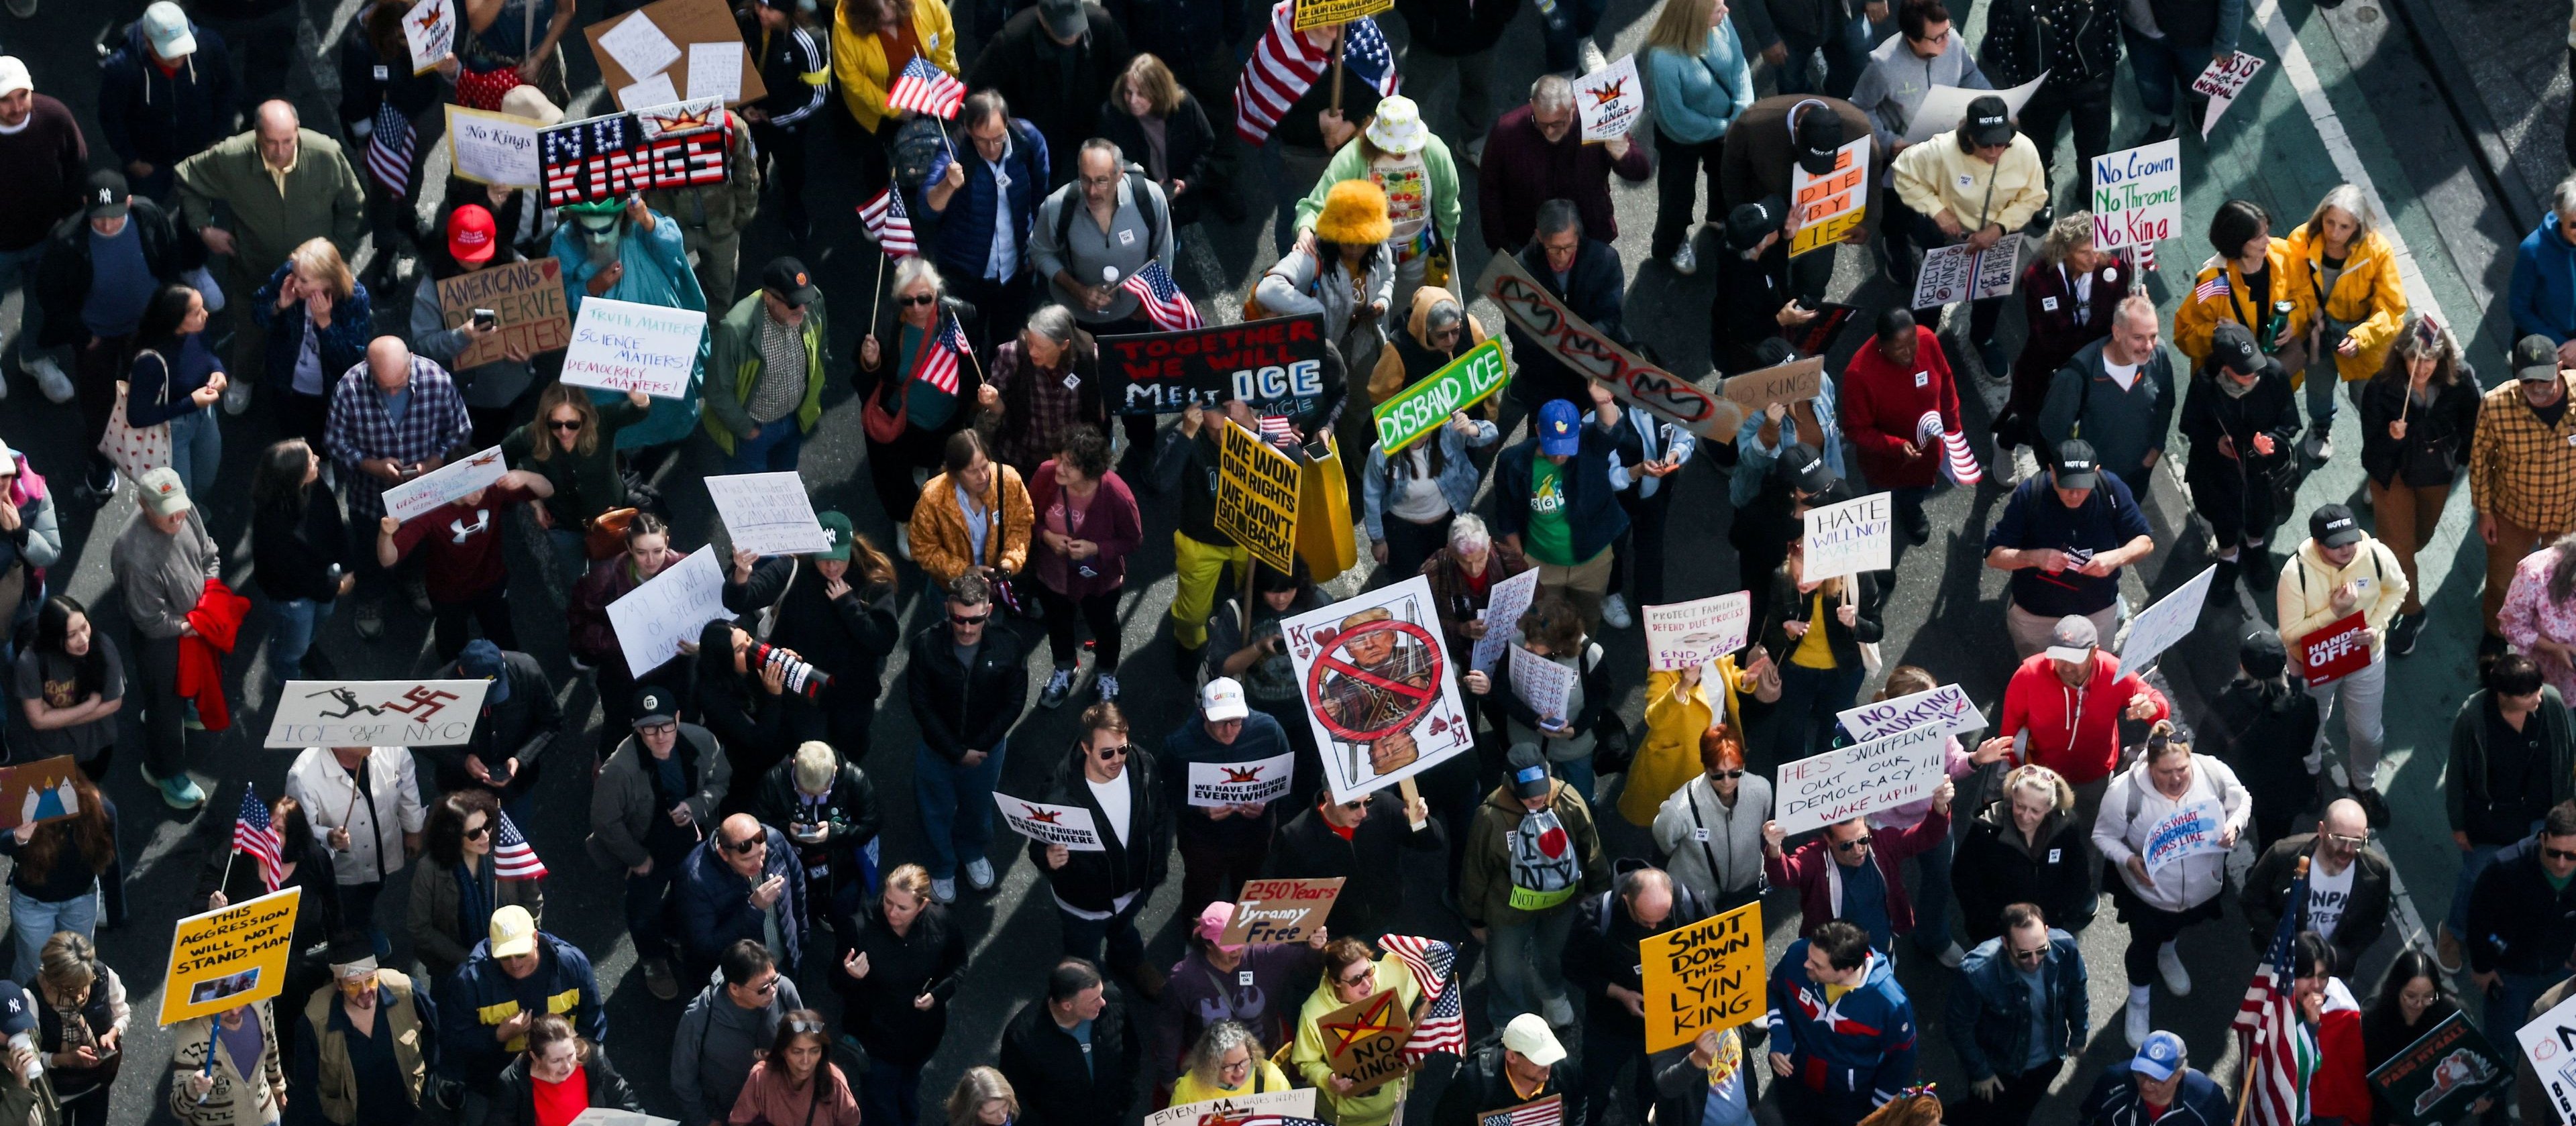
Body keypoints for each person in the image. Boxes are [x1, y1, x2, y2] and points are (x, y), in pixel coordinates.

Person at [175, 102, 366, 415]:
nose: (280, 152)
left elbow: (352, 205)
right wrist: (204, 228)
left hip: (318, 280)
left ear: (298, 131)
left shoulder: (326, 154)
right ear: (256, 135)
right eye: (271, 143)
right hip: (256, 272)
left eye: (288, 141)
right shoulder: (231, 156)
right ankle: (245, 376)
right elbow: (186, 177)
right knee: (252, 328)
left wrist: (336, 258)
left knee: (322, 336)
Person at [2092, 722, 2251, 1046]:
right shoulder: (2126, 792)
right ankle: (2139, 1001)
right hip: (2149, 897)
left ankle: (2169, 951)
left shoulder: (2212, 772)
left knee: (2177, 928)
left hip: (2201, 890)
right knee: (2142, 949)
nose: (2176, 778)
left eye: (2181, 769)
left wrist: (2235, 825)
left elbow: (2242, 801)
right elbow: (2103, 836)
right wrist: (2129, 860)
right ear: (2150, 767)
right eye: (2165, 772)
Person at [39, 171, 191, 494]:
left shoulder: (150, 217)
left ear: (130, 203)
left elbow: (170, 260)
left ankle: (153, 453)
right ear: (85, 205)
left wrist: (169, 312)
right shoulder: (67, 240)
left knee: (152, 392)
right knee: (98, 403)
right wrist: (82, 335)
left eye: (115, 216)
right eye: (99, 218)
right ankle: (101, 459)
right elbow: (49, 294)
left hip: (145, 329)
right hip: (98, 337)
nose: (107, 225)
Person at [587, 688, 733, 1002]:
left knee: (689, 892)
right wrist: (636, 858)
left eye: (666, 725)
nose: (660, 735)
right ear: (637, 729)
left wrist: (695, 806)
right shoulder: (618, 770)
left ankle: (671, 931)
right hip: (645, 844)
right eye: (649, 728)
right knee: (642, 908)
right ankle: (653, 958)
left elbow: (720, 781)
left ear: (678, 719)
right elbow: (604, 821)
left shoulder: (702, 741)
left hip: (687, 837)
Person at [325, 337, 473, 639]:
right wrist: (372, 466)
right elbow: (334, 442)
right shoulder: (349, 388)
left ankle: (412, 579)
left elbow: (460, 430)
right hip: (371, 500)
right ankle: (370, 598)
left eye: (400, 383)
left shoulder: (437, 381)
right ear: (369, 369)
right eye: (386, 386)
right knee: (369, 553)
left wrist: (434, 461)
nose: (394, 391)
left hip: (423, 497)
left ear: (412, 360)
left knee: (419, 547)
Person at [720, 512, 903, 757]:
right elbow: (739, 600)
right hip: (802, 688)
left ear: (851, 548)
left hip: (852, 692)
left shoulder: (872, 579)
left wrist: (848, 605)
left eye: (839, 558)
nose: (831, 567)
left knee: (851, 749)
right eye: (824, 559)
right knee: (809, 757)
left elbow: (883, 641)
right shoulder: (794, 569)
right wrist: (741, 573)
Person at [1889, 94, 2047, 373]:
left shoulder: (2025, 150)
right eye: (1986, 144)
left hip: (1997, 241)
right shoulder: (1941, 150)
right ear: (1969, 136)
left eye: (2002, 143)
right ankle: (1923, 339)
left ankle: (1982, 338)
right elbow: (1902, 171)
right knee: (1933, 296)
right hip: (1949, 239)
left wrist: (1999, 228)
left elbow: (2034, 197)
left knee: (1991, 297)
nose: (1995, 152)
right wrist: (1937, 211)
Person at [1464, 743, 1611, 1029]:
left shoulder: (1567, 800)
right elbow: (1476, 869)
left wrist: (1598, 889)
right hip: (1509, 907)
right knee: (1504, 964)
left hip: (1561, 901)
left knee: (1553, 955)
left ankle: (1554, 996)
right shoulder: (1490, 817)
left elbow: (1590, 847)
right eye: (1529, 796)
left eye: (1542, 790)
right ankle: (1509, 1018)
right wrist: (1475, 918)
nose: (1538, 799)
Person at [2276, 502, 2408, 815]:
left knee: (2368, 732)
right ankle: (2310, 776)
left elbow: (2397, 588)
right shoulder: (2296, 574)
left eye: (2351, 540)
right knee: (2312, 727)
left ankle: (2363, 784)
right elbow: (2290, 635)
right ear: (2318, 544)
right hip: (2314, 664)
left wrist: (2375, 628)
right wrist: (2333, 613)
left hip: (2365, 656)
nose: (2347, 549)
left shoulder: (2375, 554)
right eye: (2337, 545)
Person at [2448, 657, 2576, 975]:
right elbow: (2457, 774)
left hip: (2541, 814)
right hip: (2491, 821)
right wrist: (2458, 824)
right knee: (2476, 877)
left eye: (2538, 689)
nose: (2540, 697)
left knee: (2548, 874)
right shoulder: (2473, 719)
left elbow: (2566, 753)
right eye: (2530, 694)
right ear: (2504, 696)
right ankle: (2453, 932)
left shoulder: (2552, 703)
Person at [1034, 703, 1173, 993]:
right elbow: (1037, 845)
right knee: (1082, 955)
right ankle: (1089, 992)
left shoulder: (1142, 765)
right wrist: (1049, 859)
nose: (1118, 760)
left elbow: (1159, 818)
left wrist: (1154, 870)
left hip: (1133, 890)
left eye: (1122, 749)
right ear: (1086, 748)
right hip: (1084, 904)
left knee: (1125, 931)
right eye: (1107, 753)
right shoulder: (1059, 795)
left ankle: (1131, 962)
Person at [553, 195, 707, 455]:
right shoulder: (564, 240)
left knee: (668, 395)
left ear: (620, 219)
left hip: (657, 327)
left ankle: (674, 431)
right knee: (613, 404)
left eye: (605, 229)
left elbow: (673, 248)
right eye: (590, 231)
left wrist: (647, 221)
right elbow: (560, 292)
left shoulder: (637, 223)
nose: (599, 239)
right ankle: (623, 448)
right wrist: (592, 287)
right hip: (606, 344)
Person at [908, 573, 1028, 903]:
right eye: (959, 618)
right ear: (947, 608)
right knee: (935, 809)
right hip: (938, 751)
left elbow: (1014, 703)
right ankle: (942, 866)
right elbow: (921, 704)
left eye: (975, 620)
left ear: (988, 611)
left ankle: (972, 851)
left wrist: (980, 747)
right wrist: (956, 750)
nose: (966, 628)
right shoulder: (925, 645)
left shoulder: (1009, 645)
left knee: (978, 806)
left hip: (985, 752)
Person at [2361, 314, 2477, 657]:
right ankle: (2412, 612)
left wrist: (2465, 460)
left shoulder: (2460, 382)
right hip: (2393, 471)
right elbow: (2372, 447)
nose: (2422, 367)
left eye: (2429, 358)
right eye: (2414, 358)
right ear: (2401, 357)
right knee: (2400, 548)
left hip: (2434, 472)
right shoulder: (2380, 388)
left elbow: (2472, 425)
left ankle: (2394, 568)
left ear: (2442, 358)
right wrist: (2392, 437)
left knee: (2418, 539)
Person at [1262, 179, 1394, 473]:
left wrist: (1382, 302)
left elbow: (1388, 277)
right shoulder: (1314, 254)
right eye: (1347, 237)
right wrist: (1315, 311)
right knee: (1317, 414)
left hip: (1361, 347)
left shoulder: (1379, 246)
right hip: (1321, 354)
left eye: (1362, 239)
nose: (1355, 246)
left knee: (1361, 408)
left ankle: (1360, 466)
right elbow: (1267, 290)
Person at [1291, 95, 1461, 321]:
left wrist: (1446, 245)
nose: (1401, 152)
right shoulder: (1354, 157)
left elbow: (1448, 204)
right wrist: (1305, 229)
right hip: (1369, 258)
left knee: (1414, 312)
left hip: (1419, 251)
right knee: (1374, 316)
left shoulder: (1435, 152)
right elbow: (1317, 203)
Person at [108, 466, 219, 809]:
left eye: (180, 507)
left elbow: (208, 552)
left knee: (192, 680)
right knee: (163, 708)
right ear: (143, 505)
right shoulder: (133, 553)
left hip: (194, 623)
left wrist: (211, 595)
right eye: (167, 513)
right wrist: (194, 624)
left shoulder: (183, 508)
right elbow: (152, 621)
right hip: (162, 644)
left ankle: (186, 706)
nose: (178, 518)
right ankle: (163, 771)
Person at [1983, 441, 2156, 657]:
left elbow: (2145, 542)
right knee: (2041, 676)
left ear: (2096, 472)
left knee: (2093, 670)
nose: (2074, 494)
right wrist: (2034, 558)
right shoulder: (2031, 495)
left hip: (2097, 613)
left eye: (2082, 485)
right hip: (2038, 616)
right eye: (2067, 485)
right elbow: (1993, 556)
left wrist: (2116, 557)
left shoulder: (2111, 489)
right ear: (2052, 472)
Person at [856, 259, 980, 549]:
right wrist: (871, 362)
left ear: (936, 293)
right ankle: (905, 518)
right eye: (907, 300)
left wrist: (980, 396)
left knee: (931, 458)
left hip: (944, 418)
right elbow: (863, 373)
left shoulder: (960, 316)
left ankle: (922, 467)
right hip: (898, 417)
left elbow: (973, 364)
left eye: (924, 299)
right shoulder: (884, 321)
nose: (916, 307)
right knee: (894, 478)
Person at [374, 467, 553, 662]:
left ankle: (510, 675)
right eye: (469, 489)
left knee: (503, 636)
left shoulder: (493, 489)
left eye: (480, 487)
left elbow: (547, 490)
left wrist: (526, 475)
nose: (477, 495)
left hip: (491, 581)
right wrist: (386, 534)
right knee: (452, 644)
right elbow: (388, 559)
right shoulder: (431, 510)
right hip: (448, 592)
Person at [1493, 390, 1640, 626]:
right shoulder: (1513, 461)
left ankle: (1583, 662)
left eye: (1566, 445)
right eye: (1554, 445)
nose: (1561, 454)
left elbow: (1611, 430)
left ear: (1579, 431)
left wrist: (1604, 401)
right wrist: (1521, 562)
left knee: (1587, 621)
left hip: (1592, 561)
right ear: (1538, 431)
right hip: (1540, 563)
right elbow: (1506, 514)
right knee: (1544, 626)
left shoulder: (1589, 447)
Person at [435, 905, 604, 1110]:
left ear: (535, 938)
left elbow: (593, 1024)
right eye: (505, 956)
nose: (514, 963)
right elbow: (455, 1042)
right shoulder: (469, 982)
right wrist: (497, 1036)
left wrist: (569, 1064)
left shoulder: (571, 964)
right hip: (498, 1082)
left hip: (563, 1071)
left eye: (520, 953)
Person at [833, 865, 965, 1126]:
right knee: (880, 1102)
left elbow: (958, 965)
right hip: (877, 1040)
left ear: (923, 905)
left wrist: (938, 995)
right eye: (888, 901)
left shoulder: (941, 922)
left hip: (922, 1038)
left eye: (902, 908)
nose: (892, 912)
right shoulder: (860, 928)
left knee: (908, 1088)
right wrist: (850, 976)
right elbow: (834, 980)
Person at [1763, 777, 1953, 955]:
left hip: (1880, 951)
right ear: (1828, 839)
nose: (1858, 850)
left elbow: (1926, 836)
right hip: (1832, 960)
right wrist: (1774, 847)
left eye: (1863, 839)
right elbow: (1784, 875)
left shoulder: (1883, 843)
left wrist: (1939, 806)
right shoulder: (1815, 858)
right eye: (1847, 845)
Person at [921, 91, 1047, 359]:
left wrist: (1036, 246)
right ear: (968, 129)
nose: (992, 148)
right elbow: (926, 208)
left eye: (999, 138)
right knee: (967, 348)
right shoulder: (954, 149)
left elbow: (1041, 197)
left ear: (1007, 124)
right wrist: (948, 184)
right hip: (966, 274)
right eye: (982, 140)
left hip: (1015, 271)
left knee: (1008, 344)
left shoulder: (1029, 140)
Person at [1565, 870, 1696, 1126]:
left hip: (1664, 1025)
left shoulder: (1689, 904)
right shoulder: (1594, 917)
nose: (1653, 928)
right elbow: (1572, 968)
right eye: (1645, 921)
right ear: (1626, 900)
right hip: (1609, 1025)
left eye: (1662, 920)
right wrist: (1619, 993)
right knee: (1596, 1086)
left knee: (1653, 1088)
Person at [2286, 185, 2409, 456]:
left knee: (2366, 397)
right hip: (2317, 332)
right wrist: (2300, 316)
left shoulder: (2378, 252)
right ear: (2321, 216)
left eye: (2344, 226)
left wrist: (2361, 337)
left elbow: (2391, 307)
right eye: (2330, 223)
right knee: (2318, 388)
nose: (2334, 233)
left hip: (2363, 338)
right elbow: (2291, 289)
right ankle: (2320, 427)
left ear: (2359, 226)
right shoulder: (2300, 240)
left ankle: (2378, 444)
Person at [2473, 335, 2576, 653]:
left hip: (2568, 515)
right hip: (2512, 513)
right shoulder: (2496, 405)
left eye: (2544, 379)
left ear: (2560, 367)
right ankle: (2495, 634)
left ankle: (2554, 640)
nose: (2537, 388)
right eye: (2527, 380)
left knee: (2564, 585)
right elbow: (2480, 460)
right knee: (2502, 583)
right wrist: (2485, 512)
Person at [1998, 213, 2131, 460]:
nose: (2094, 258)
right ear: (2064, 251)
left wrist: (2132, 313)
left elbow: (2118, 317)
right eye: (2084, 252)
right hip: (2043, 375)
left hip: (2092, 376)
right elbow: (2046, 339)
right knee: (2034, 424)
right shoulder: (2037, 279)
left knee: (2071, 430)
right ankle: (2005, 443)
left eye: (2097, 250)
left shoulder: (2115, 271)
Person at [2181, 320, 2300, 594]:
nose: (2254, 374)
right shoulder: (2205, 384)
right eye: (2245, 370)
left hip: (2261, 471)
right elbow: (2190, 424)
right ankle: (2229, 556)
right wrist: (2215, 442)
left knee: (2259, 514)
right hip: (2216, 471)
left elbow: (2289, 422)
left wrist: (2271, 443)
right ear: (2224, 366)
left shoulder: (2274, 375)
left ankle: (2255, 548)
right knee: (2222, 516)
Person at [1159, 678, 1295, 916]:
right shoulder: (1179, 745)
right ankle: (1197, 939)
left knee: (1249, 891)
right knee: (1200, 893)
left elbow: (1286, 776)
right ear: (1203, 714)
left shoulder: (1269, 731)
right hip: (1203, 841)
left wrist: (1267, 803)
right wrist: (1199, 808)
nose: (1230, 729)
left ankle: (1241, 937)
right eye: (1220, 722)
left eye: (1236, 721)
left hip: (1255, 835)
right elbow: (1164, 793)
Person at [503, 384, 653, 598]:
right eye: (555, 424)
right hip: (564, 524)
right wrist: (534, 501)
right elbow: (500, 460)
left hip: (609, 518)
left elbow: (639, 411)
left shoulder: (601, 421)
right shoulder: (531, 435)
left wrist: (640, 399)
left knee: (615, 572)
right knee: (577, 580)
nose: (564, 432)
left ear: (585, 417)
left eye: (572, 424)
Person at [1153, 903, 1322, 1091]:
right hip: (1214, 1070)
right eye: (1228, 945)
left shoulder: (1263, 955)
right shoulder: (1184, 979)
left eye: (1240, 940)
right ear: (1208, 944)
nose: (1237, 950)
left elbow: (1307, 965)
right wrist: (1168, 1077)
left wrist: (1315, 947)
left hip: (1266, 1058)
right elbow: (1169, 1029)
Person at [1944, 903, 2084, 1126]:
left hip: (2047, 1060)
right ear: (2006, 943)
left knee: (2019, 1113)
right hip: (2000, 1066)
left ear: (2047, 932)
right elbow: (1959, 1026)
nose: (2035, 961)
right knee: (1981, 1114)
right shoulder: (1977, 973)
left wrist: (2079, 1031)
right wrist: (1981, 1072)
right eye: (2025, 954)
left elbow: (2077, 989)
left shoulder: (2066, 948)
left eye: (2042, 950)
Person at [413, 205, 539, 450]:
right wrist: (461, 336)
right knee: (479, 442)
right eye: (465, 254)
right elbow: (422, 346)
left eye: (480, 252)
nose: (474, 261)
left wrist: (531, 349)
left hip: (517, 382)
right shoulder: (431, 288)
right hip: (469, 395)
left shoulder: (518, 266)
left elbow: (539, 318)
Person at [1029, 429, 1140, 707]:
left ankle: (1105, 672)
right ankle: (1065, 666)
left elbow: (1133, 539)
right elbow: (1026, 515)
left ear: (1090, 471)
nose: (1059, 467)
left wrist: (1096, 550)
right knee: (1057, 622)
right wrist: (1046, 536)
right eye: (1060, 459)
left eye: (1069, 464)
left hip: (1099, 579)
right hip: (1053, 574)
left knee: (1105, 626)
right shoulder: (1046, 475)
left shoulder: (1116, 495)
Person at [1640, 0, 1752, 276]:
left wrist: (1741, 111)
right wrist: (1726, 126)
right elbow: (1678, 118)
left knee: (1726, 176)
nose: (1726, 11)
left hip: (1726, 125)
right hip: (1681, 139)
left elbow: (1739, 67)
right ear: (1695, 17)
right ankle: (1671, 242)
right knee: (1677, 197)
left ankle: (1718, 217)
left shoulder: (1721, 24)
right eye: (1717, 8)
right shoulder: (1664, 58)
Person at [1766, 920, 1916, 1126]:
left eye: (1817, 964)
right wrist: (1780, 1037)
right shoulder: (1797, 955)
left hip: (1848, 1101)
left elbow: (1900, 1060)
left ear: (1847, 970)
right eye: (1810, 955)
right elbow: (1774, 991)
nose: (1806, 964)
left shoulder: (1892, 1004)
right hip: (1793, 1079)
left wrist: (1877, 1111)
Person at [968, 0, 1134, 186]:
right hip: (1039, 138)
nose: (1071, 35)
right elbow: (979, 86)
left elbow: (1123, 69)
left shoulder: (1101, 24)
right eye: (1062, 30)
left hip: (1090, 128)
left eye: (1075, 27)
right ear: (1042, 18)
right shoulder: (1013, 39)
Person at [1477, 77, 1648, 257]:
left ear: (1573, 106)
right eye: (1542, 124)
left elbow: (1641, 171)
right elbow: (1490, 190)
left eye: (1557, 123)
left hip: (1588, 235)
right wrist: (1498, 245)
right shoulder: (1507, 132)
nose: (1550, 131)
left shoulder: (1598, 121)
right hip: (1529, 240)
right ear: (1532, 105)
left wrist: (1623, 156)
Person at [1205, 559, 1330, 804]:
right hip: (1259, 713)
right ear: (1259, 587)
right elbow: (1224, 667)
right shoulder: (1240, 609)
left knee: (1310, 776)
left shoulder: (1315, 602)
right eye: (1273, 591)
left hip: (1307, 712)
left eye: (1288, 590)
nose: (1281, 599)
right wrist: (1258, 648)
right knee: (1264, 781)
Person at [1465, 592, 1613, 798]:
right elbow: (1502, 690)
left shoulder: (1590, 654)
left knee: (1582, 798)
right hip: (1527, 745)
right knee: (1527, 800)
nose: (1526, 645)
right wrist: (1534, 721)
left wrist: (1575, 730)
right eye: (1527, 637)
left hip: (1574, 749)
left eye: (1535, 642)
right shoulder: (1516, 643)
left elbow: (1600, 696)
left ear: (1560, 642)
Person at [283, 745, 424, 954]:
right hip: (342, 869)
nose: (372, 735)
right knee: (342, 904)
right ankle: (345, 937)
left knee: (373, 890)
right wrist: (329, 836)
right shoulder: (303, 776)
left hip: (382, 853)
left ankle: (363, 924)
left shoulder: (393, 747)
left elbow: (408, 793)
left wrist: (413, 830)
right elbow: (300, 829)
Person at [0, 61, 86, 403]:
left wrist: (67, 222)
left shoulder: (54, 117)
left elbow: (77, 166)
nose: (18, 107)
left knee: (41, 303)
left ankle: (33, 357)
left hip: (45, 238)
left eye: (23, 95)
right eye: (6, 99)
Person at [1030, 139, 1175, 340]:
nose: (1091, 191)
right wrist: (1078, 291)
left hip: (1132, 317)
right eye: (1085, 179)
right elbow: (1040, 251)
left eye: (1101, 181)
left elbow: (1164, 256)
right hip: (1076, 320)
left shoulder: (1150, 199)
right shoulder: (1058, 206)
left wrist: (1147, 308)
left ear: (1119, 175)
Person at [2036, 296, 2179, 498]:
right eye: (2138, 337)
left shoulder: (2159, 355)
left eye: (2153, 336)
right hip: (2091, 485)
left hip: (2136, 476)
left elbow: (2166, 403)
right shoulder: (2076, 375)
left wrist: (2156, 449)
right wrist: (2080, 476)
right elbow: (2054, 429)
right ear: (2117, 332)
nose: (2148, 346)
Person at [1839, 308, 1962, 544]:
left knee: (1917, 492)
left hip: (1926, 457)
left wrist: (1953, 425)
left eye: (1912, 343)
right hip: (1884, 464)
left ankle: (1911, 510)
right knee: (1880, 500)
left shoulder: (1927, 339)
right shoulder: (1858, 375)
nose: (1909, 354)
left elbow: (1946, 380)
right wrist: (1895, 446)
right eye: (1899, 348)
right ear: (1881, 345)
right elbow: (1855, 430)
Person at [288, 934, 438, 1126]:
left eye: (371, 980)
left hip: (405, 1114)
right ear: (339, 984)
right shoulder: (315, 1020)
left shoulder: (406, 991)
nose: (365, 991)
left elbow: (433, 1037)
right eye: (354, 985)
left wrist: (426, 1095)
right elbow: (307, 1087)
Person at [1980, 0, 2121, 200]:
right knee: (2038, 148)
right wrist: (2021, 92)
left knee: (2096, 144)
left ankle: (2090, 187)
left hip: (2091, 83)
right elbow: (2007, 49)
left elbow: (2109, 25)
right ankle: (2041, 188)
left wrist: (2105, 73)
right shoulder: (2017, 5)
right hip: (2041, 89)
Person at [1267, 784, 1441, 945]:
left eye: (1368, 802)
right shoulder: (1296, 837)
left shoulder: (1384, 805)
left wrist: (1420, 822)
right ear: (1329, 798)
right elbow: (1288, 902)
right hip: (1339, 935)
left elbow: (1432, 843)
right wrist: (1308, 937)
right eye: (1353, 805)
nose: (1363, 813)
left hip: (1387, 918)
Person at [1757, 541, 1883, 761]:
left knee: (1833, 731)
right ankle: (1792, 777)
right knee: (1791, 730)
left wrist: (1854, 623)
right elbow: (1769, 630)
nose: (1801, 584)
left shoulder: (1857, 576)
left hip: (1843, 672)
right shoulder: (1782, 577)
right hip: (1797, 669)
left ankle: (1823, 774)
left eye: (1808, 578)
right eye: (1797, 576)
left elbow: (1876, 631)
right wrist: (1787, 632)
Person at [97, 4, 235, 203]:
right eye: (169, 52)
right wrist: (132, 160)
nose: (178, 59)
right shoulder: (122, 67)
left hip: (199, 154)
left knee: (198, 216)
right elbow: (111, 117)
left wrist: (219, 137)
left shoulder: (210, 45)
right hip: (149, 161)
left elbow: (226, 91)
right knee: (146, 215)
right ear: (148, 41)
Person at [1500, 204, 1630, 414]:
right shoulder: (1520, 272)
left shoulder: (1604, 261)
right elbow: (1517, 331)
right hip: (1545, 370)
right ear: (1539, 237)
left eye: (1569, 247)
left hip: (1592, 359)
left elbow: (1610, 316)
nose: (1562, 256)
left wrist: (1577, 344)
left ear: (1578, 236)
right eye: (1554, 249)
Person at [703, 257, 827, 472]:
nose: (803, 310)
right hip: (755, 431)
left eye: (805, 301)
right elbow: (716, 390)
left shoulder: (812, 302)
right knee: (750, 495)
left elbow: (821, 345)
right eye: (793, 303)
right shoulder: (735, 330)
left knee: (783, 483)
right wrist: (747, 429)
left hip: (794, 421)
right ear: (768, 298)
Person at [409, 789, 544, 982]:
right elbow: (420, 928)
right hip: (458, 969)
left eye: (487, 825)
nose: (486, 836)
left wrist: (520, 943)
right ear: (453, 836)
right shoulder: (430, 869)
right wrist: (470, 959)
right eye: (474, 834)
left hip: (511, 960)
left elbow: (532, 898)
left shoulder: (506, 850)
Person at [827, 0, 960, 194]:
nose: (888, 20)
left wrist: (934, 84)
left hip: (927, 97)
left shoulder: (927, 4)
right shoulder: (845, 25)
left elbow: (945, 37)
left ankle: (925, 183)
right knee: (876, 160)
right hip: (879, 109)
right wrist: (893, 108)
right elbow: (852, 78)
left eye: (892, 10)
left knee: (932, 144)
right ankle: (883, 200)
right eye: (879, 19)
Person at [2207, 630, 2321, 853]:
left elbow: (2206, 750)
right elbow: (2306, 745)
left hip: (2233, 789)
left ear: (2243, 666)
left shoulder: (2226, 704)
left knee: (2219, 840)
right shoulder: (2303, 704)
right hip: (2282, 792)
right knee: (2274, 846)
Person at [1631, 653, 1775, 831]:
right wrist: (1681, 687)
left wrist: (1745, 678)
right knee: (1676, 820)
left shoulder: (1713, 652)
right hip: (1681, 758)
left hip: (1715, 750)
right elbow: (1653, 719)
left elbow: (1729, 671)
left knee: (1712, 813)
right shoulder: (1663, 669)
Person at [1951, 765, 2093, 944]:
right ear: (2012, 797)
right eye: (2020, 806)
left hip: (2047, 928)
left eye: (2035, 811)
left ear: (2050, 808)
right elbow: (1964, 878)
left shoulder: (2065, 828)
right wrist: (1989, 923)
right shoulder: (1987, 828)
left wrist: (2061, 913)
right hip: (1996, 933)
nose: (2025, 817)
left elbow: (2077, 874)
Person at [2243, 799, 2392, 968]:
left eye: (2357, 842)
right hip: (2280, 956)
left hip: (2332, 967)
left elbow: (2374, 923)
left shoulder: (2376, 871)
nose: (2347, 850)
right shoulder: (2284, 855)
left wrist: (2339, 956)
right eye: (2339, 839)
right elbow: (2252, 900)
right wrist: (2286, 942)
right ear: (2321, 830)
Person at [673, 940, 805, 1126]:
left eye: (774, 980)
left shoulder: (785, 990)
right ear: (734, 988)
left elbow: (804, 1039)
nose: (773, 991)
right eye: (763, 989)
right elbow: (683, 1079)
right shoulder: (699, 1017)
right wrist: (705, 1121)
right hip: (730, 1112)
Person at [1292, 938, 1423, 1126]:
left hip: (1397, 1103)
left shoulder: (1391, 972)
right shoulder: (1313, 1013)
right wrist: (1328, 1079)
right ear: (1335, 982)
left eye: (1368, 972)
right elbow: (1305, 1062)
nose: (1367, 984)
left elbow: (1426, 958)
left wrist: (1427, 1002)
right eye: (1356, 980)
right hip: (1348, 1119)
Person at [254, 239, 373, 443]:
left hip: (327, 389)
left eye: (305, 281)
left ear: (329, 281)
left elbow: (351, 361)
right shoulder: (290, 274)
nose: (296, 284)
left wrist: (326, 324)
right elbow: (257, 312)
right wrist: (279, 306)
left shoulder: (354, 298)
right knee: (289, 428)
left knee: (323, 432)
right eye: (296, 276)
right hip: (286, 377)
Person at [640, 110, 760, 308]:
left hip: (722, 226)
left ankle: (715, 326)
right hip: (670, 227)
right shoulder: (643, 129)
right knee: (663, 281)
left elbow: (747, 175)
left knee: (722, 284)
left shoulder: (731, 126)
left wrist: (741, 217)